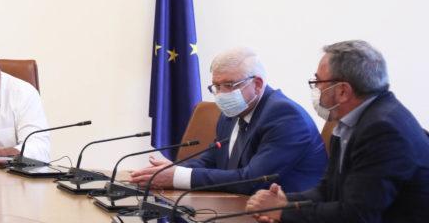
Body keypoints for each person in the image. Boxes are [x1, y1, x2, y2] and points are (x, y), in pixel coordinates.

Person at [247, 40, 429, 223]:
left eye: (318, 82)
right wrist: (285, 202)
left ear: (342, 91)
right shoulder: (351, 122)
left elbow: (355, 217)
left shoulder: (383, 130)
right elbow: (328, 190)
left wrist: (283, 212)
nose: (316, 88)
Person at [130, 47, 327, 194]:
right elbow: (211, 160)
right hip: (242, 209)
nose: (221, 94)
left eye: (229, 85)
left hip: (290, 221)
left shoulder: (284, 116)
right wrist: (171, 171)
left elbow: (251, 180)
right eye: (216, 86)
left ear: (257, 84)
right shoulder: (231, 114)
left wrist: (177, 177)